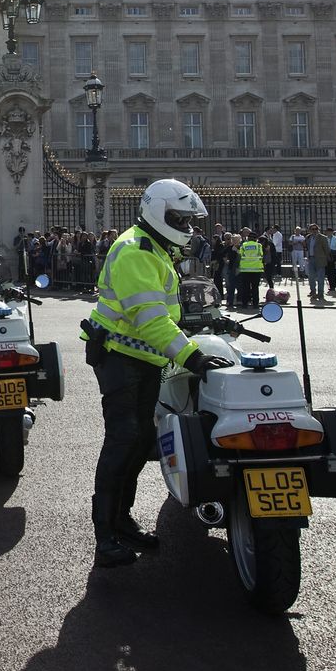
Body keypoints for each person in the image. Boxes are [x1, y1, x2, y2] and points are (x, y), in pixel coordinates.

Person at [82, 179, 232, 568]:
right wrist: (192, 356)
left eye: (188, 220)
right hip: (119, 357)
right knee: (123, 438)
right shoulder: (136, 250)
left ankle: (122, 519)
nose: (187, 228)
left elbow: (166, 309)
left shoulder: (156, 248)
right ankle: (104, 534)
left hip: (144, 359)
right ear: (158, 214)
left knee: (142, 437)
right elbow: (150, 319)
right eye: (180, 219)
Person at [236, 228, 264, 308]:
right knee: (255, 288)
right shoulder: (259, 246)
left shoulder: (244, 245)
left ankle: (245, 304)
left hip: (245, 270)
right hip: (256, 270)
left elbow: (240, 254)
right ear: (256, 239)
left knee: (245, 288)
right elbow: (261, 255)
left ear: (248, 238)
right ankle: (255, 304)